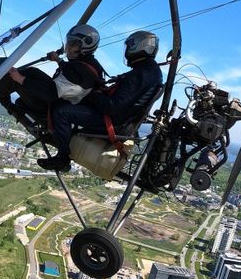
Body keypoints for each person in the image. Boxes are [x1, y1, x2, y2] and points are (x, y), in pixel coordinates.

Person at [38, 30, 163, 172]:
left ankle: (62, 158)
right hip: (120, 120)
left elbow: (112, 106)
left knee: (62, 112)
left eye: (129, 46)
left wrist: (94, 94)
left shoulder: (142, 74)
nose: (127, 50)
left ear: (139, 46)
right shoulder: (149, 71)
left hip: (112, 121)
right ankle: (63, 139)